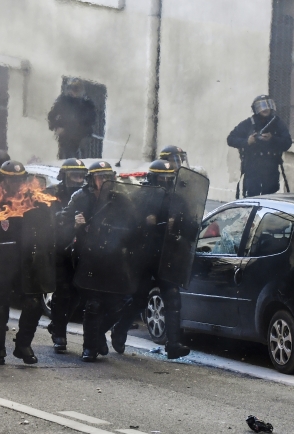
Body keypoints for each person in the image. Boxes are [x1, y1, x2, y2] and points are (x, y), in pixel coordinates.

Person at [109, 160, 192, 359]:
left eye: (169, 178)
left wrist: (177, 225)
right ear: (153, 178)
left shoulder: (178, 200)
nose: (165, 182)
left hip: (167, 256)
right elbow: (127, 226)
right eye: (162, 178)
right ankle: (119, 332)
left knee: (172, 297)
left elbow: (190, 226)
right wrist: (145, 222)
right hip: (144, 257)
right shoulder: (141, 197)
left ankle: (173, 344)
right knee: (138, 299)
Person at [0, 160, 54, 365]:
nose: (16, 184)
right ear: (2, 180)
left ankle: (23, 345)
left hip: (26, 261)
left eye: (19, 180)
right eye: (11, 180)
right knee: (0, 308)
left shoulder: (34, 200)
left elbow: (47, 228)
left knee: (33, 303)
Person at [61, 161, 121, 361]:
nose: (104, 181)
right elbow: (62, 222)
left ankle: (97, 337)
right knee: (93, 303)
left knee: (118, 303)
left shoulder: (119, 199)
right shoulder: (80, 197)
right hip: (87, 255)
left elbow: (132, 222)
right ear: (92, 179)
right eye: (100, 177)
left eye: (107, 177)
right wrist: (75, 224)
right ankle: (89, 347)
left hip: (111, 257)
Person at [46, 158, 88, 353]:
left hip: (82, 251)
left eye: (81, 175)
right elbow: (50, 220)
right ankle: (60, 335)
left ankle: (56, 324)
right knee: (62, 292)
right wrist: (70, 222)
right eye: (74, 174)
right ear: (64, 175)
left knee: (77, 293)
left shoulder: (87, 195)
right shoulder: (53, 194)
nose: (78, 179)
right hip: (60, 249)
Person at [227, 95, 292, 198]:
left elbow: (287, 143)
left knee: (269, 199)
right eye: (261, 106)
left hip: (271, 170)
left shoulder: (277, 123)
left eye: (267, 105)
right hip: (252, 169)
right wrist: (247, 142)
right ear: (255, 109)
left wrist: (273, 139)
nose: (265, 109)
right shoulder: (248, 123)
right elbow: (230, 139)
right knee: (252, 199)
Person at [48, 78, 97, 159]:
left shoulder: (87, 104)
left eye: (77, 88)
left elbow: (90, 120)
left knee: (79, 159)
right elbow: (51, 116)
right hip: (65, 138)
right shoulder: (63, 101)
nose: (74, 91)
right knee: (65, 158)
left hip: (81, 138)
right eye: (72, 88)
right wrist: (57, 127)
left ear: (81, 90)